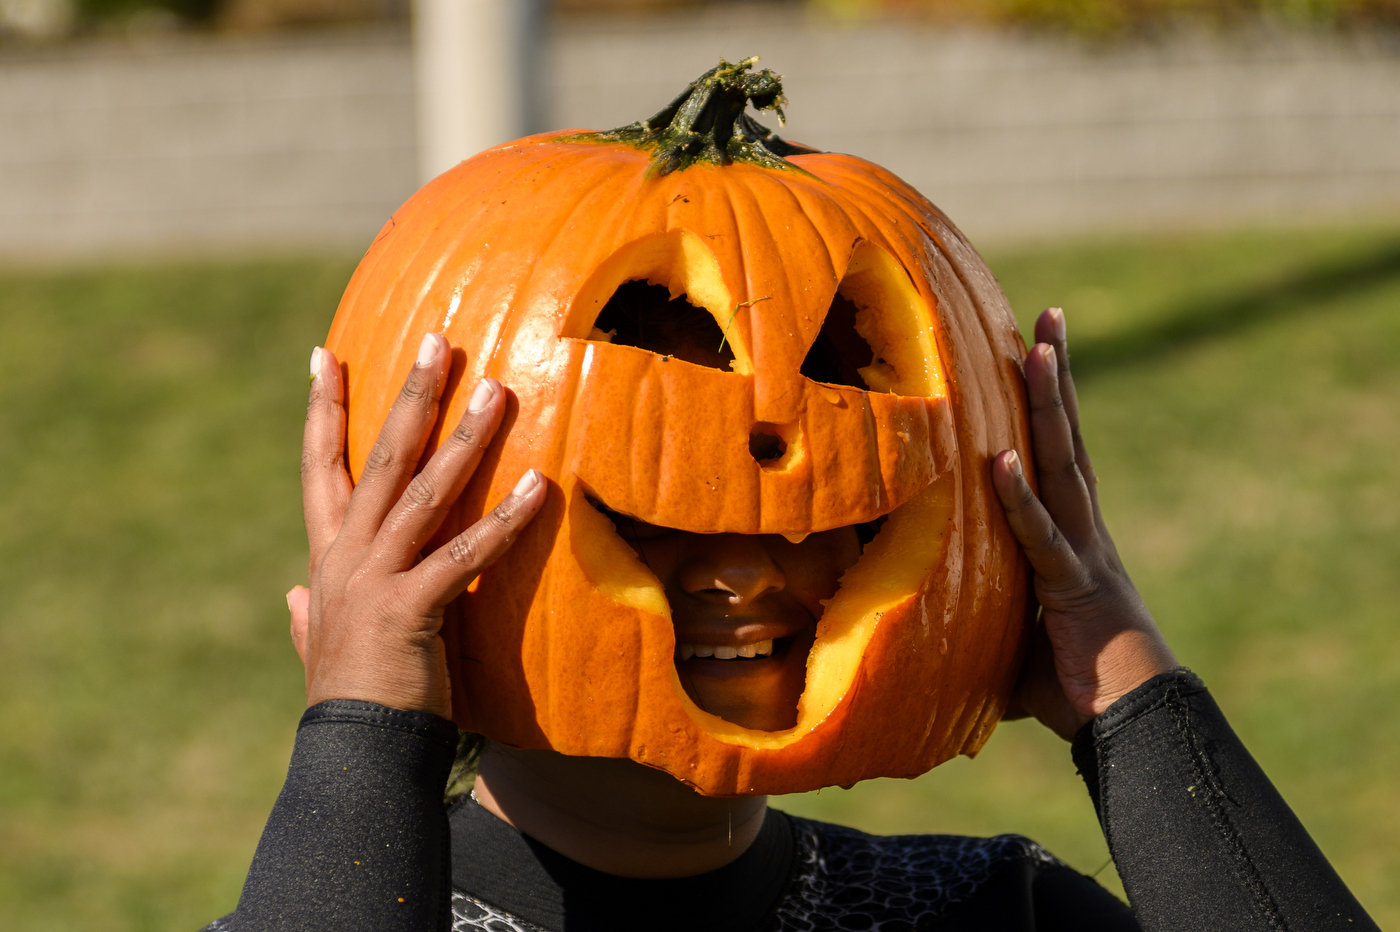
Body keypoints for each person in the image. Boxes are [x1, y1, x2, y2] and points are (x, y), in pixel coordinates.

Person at [205, 308, 1378, 931]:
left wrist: (1128, 692)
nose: (745, 574)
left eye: (815, 515)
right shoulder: (331, 906)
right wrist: (361, 735)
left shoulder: (982, 914)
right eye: (646, 512)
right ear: (428, 552)